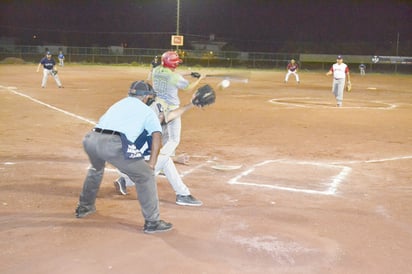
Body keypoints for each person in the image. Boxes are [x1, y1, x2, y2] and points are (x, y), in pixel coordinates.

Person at [75, 80, 172, 234]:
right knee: (145, 175)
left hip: (91, 139)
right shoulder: (148, 112)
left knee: (96, 169)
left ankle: (84, 207)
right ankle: (152, 222)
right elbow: (156, 136)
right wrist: (152, 163)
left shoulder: (118, 104)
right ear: (146, 96)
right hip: (113, 144)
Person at [114, 93, 203, 206]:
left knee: (154, 163)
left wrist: (191, 104)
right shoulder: (149, 132)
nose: (162, 115)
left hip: (122, 164)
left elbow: (172, 115)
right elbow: (154, 156)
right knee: (164, 161)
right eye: (159, 113)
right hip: (131, 165)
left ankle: (125, 181)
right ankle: (183, 194)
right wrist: (175, 158)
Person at [150, 51, 204, 196]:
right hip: (171, 111)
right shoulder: (175, 77)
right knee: (173, 140)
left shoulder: (156, 70)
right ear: (173, 64)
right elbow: (188, 88)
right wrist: (199, 79)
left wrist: (188, 73)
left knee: (162, 137)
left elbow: (173, 75)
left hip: (156, 109)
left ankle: (163, 164)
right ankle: (158, 166)